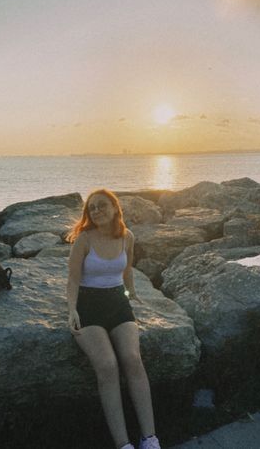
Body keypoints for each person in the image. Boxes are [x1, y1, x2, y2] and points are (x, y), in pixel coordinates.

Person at [66, 189, 160, 449]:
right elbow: (73, 278)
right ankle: (123, 444)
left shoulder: (127, 237)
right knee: (107, 365)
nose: (96, 211)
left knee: (132, 359)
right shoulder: (84, 240)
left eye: (101, 206)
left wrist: (133, 296)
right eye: (91, 208)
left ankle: (150, 439)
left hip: (118, 304)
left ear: (115, 208)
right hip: (88, 305)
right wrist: (72, 309)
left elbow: (126, 271)